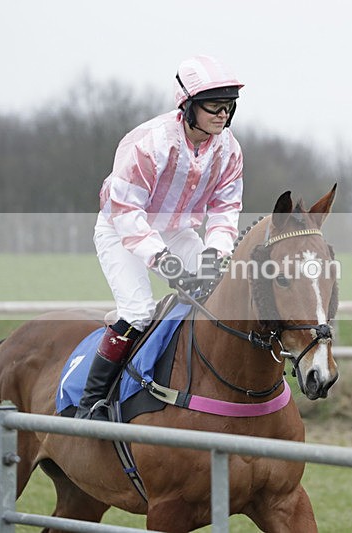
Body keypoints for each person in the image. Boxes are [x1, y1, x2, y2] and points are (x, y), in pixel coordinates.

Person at [75, 55, 245, 420]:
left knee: (217, 294)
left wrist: (215, 253)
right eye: (214, 106)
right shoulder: (148, 143)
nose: (223, 114)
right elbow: (127, 213)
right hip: (122, 230)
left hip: (179, 231)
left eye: (228, 106)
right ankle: (91, 404)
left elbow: (225, 208)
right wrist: (163, 260)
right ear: (187, 106)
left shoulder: (229, 148)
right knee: (138, 312)